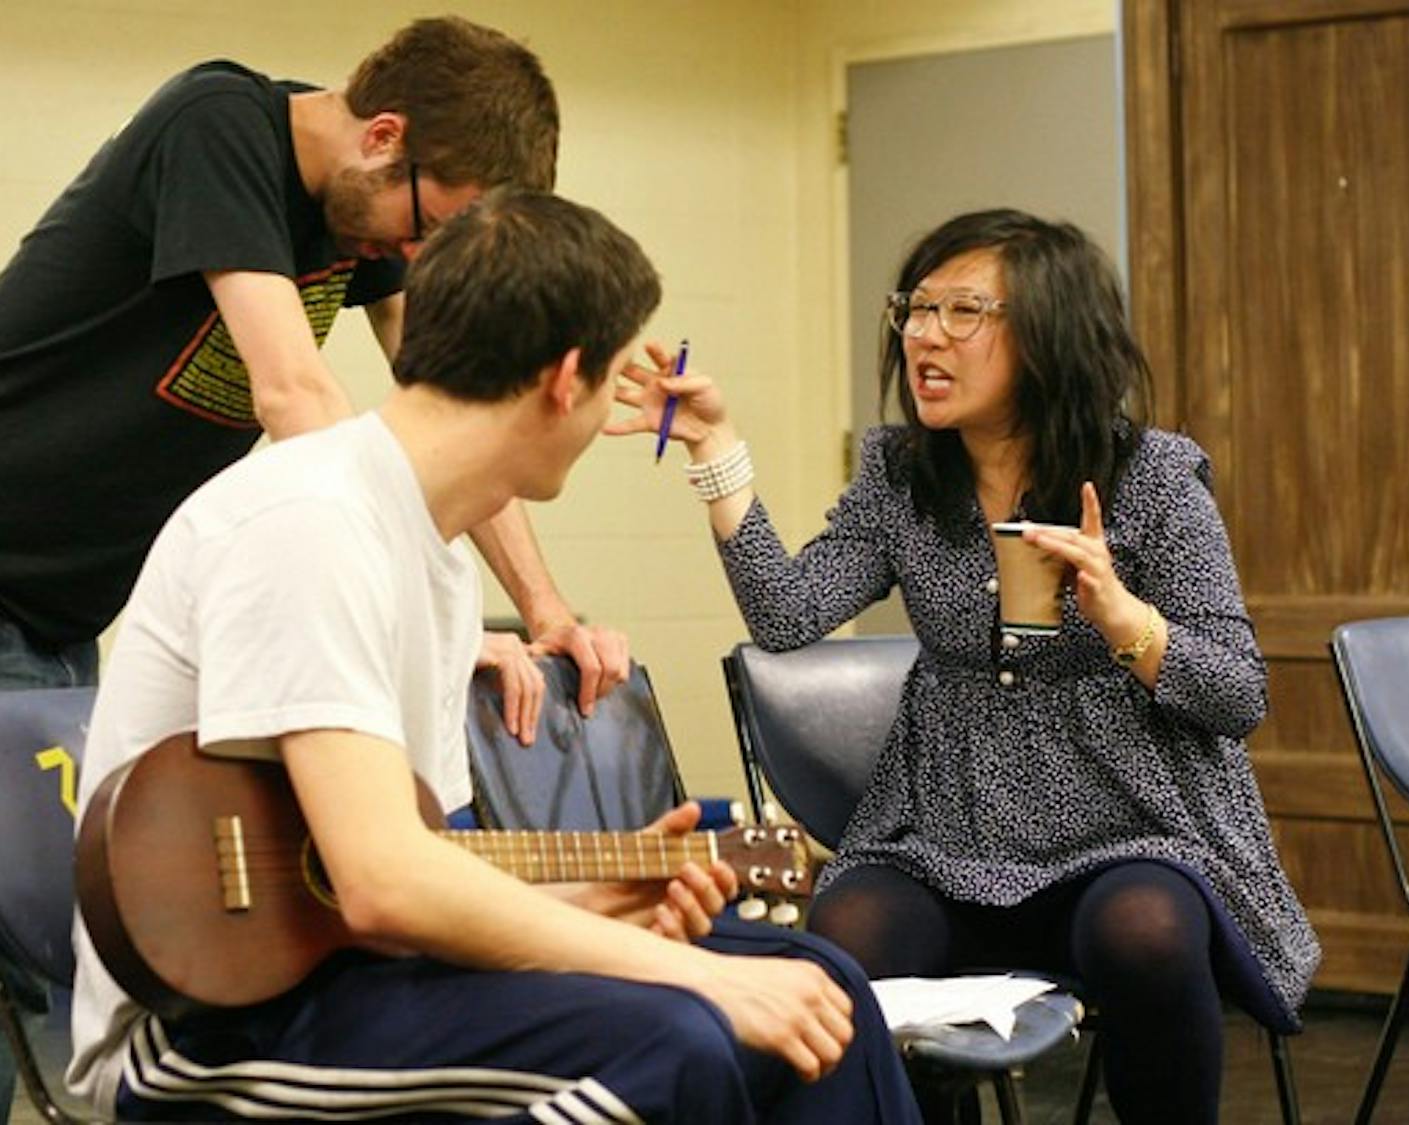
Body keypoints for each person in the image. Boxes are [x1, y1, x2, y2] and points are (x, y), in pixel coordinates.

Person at [64, 188, 921, 1125]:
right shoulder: (308, 521)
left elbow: (418, 861)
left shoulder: (431, 553)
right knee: (676, 1038)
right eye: (604, 387)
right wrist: (675, 968)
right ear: (565, 379)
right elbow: (385, 882)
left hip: (351, 970)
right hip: (202, 1031)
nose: (601, 418)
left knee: (816, 978)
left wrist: (593, 907)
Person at [614, 209, 1321, 1124]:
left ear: (1048, 336)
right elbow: (787, 615)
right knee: (845, 937)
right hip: (947, 831)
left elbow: (1237, 693)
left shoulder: (1152, 477)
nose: (922, 335)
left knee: (1146, 928)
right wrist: (716, 450)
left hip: (1126, 828)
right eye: (916, 307)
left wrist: (1123, 616)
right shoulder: (904, 474)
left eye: (962, 312)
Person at [0, 16, 625, 724]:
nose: (420, 257)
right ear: (384, 136)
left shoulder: (376, 203)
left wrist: (544, 610)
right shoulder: (218, 129)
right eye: (428, 229)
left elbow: (458, 407)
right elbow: (293, 393)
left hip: (63, 614)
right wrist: (426, 624)